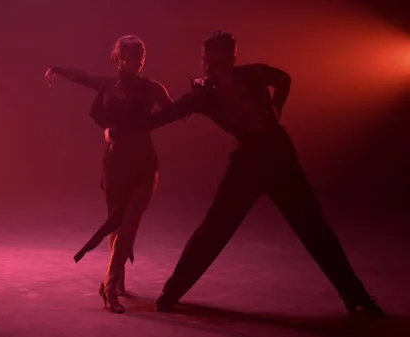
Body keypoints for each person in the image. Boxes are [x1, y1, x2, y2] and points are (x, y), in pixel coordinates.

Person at [118, 30, 384, 317]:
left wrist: (277, 108)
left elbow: (283, 79)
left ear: (233, 59)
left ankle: (355, 295)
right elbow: (165, 116)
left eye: (216, 64)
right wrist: (124, 128)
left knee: (314, 228)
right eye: (206, 63)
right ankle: (171, 293)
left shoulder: (253, 74)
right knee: (214, 229)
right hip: (248, 162)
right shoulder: (205, 95)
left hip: (280, 157)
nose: (209, 70)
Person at [44, 35, 174, 313]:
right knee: (116, 225)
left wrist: (204, 93)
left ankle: (109, 284)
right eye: (131, 53)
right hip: (115, 165)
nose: (138, 57)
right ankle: (119, 280)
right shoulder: (107, 85)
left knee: (129, 224)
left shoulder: (152, 88)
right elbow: (82, 77)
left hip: (143, 163)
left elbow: (178, 112)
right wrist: (57, 68)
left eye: (141, 52)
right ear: (118, 57)